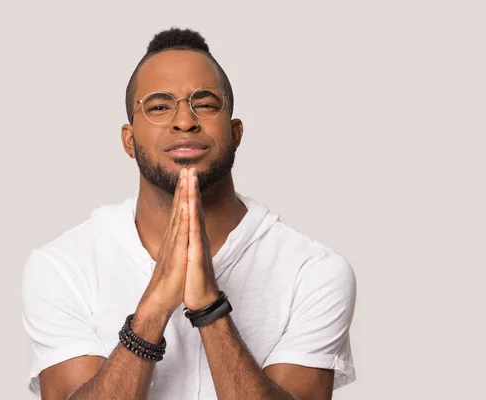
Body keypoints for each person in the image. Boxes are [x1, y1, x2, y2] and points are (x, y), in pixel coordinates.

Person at [21, 27, 357, 400]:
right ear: (129, 140)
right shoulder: (63, 266)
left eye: (206, 103)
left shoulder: (313, 271)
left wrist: (210, 309)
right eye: (160, 106)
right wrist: (152, 312)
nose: (184, 121)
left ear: (235, 133)